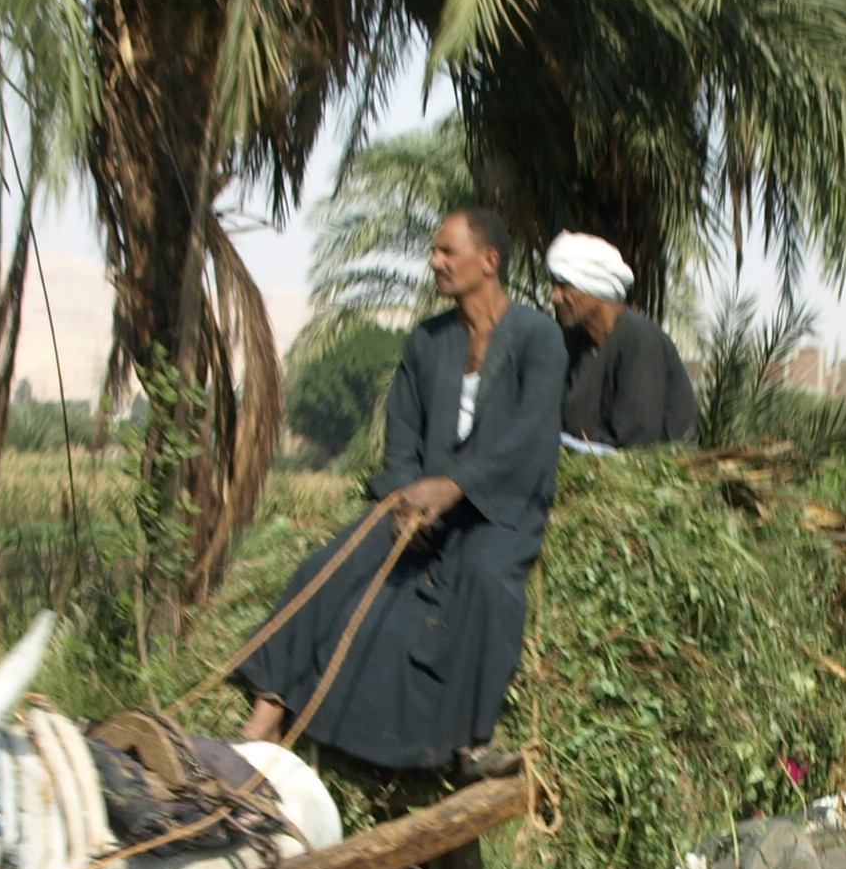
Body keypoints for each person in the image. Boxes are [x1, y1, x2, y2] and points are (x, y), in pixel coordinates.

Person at [237, 206, 563, 770]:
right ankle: (269, 712)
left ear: (489, 262)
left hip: (498, 507)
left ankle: (467, 742)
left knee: (486, 582)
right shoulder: (426, 342)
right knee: (328, 569)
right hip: (420, 508)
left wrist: (456, 486)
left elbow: (528, 437)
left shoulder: (539, 338)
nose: (434, 262)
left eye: (447, 252)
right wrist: (404, 498)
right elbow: (402, 433)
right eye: (434, 252)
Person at [546, 231, 699, 451]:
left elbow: (636, 439)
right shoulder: (576, 346)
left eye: (564, 286)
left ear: (594, 284)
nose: (555, 297)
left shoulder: (639, 340)